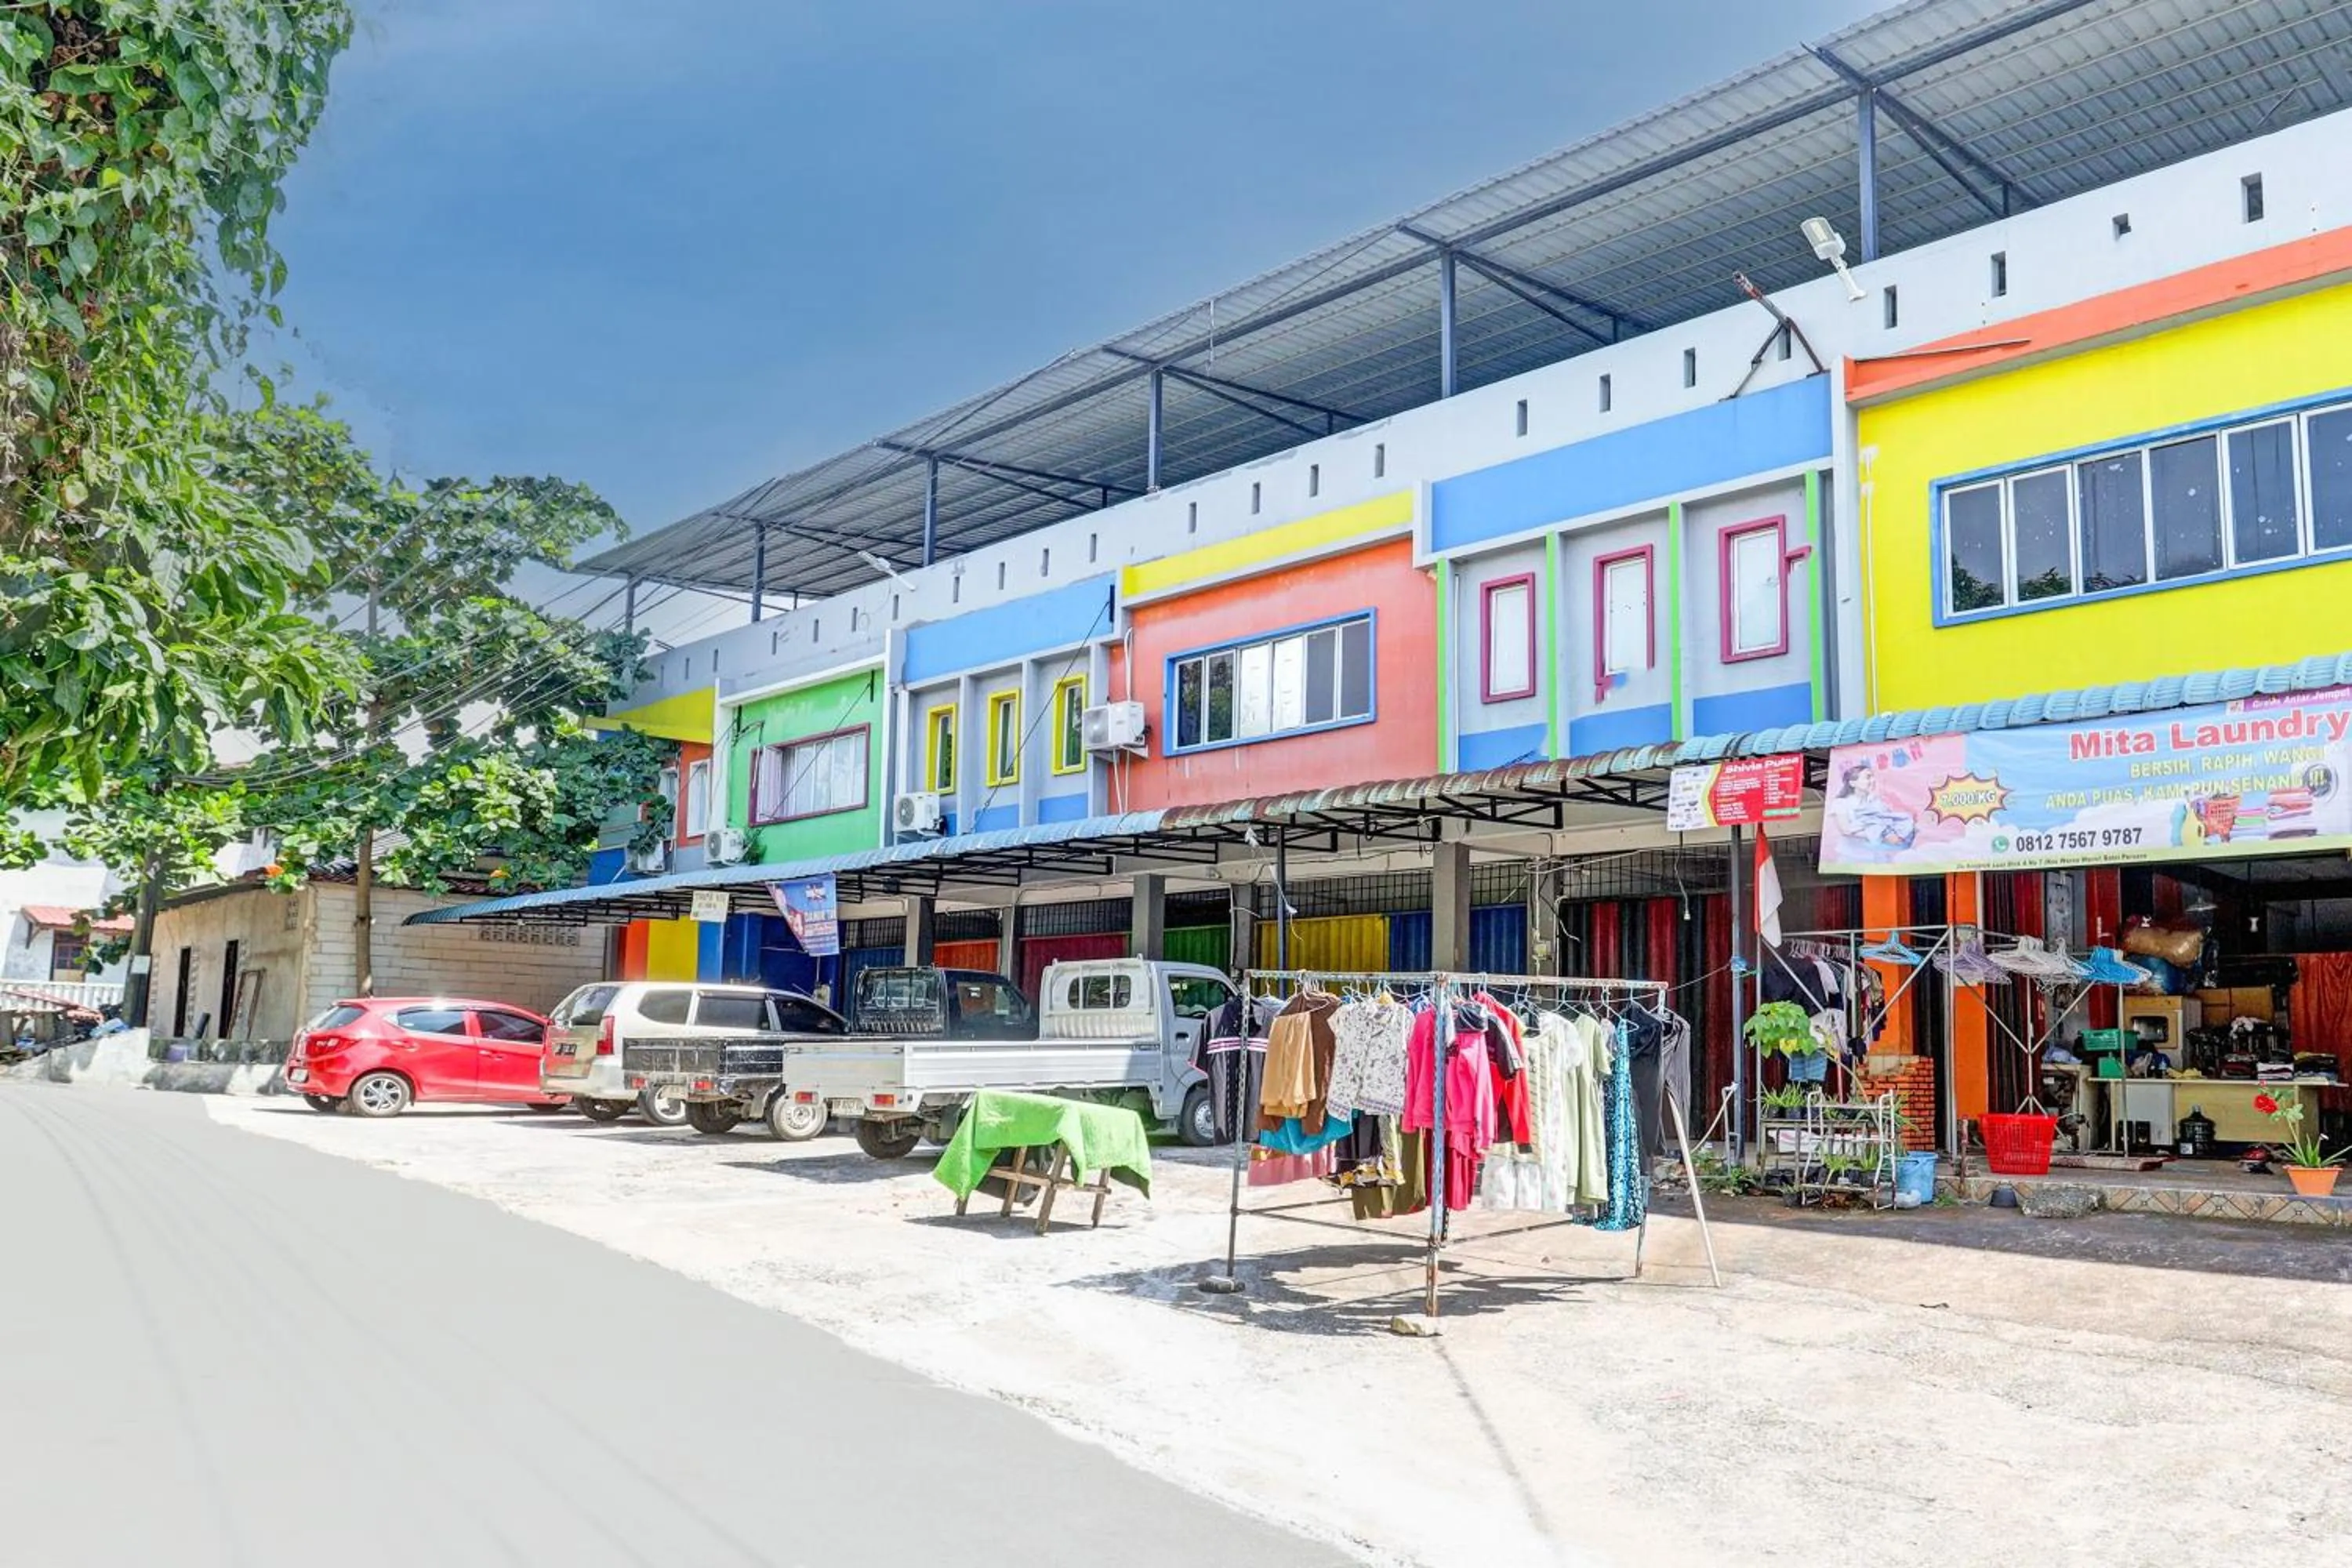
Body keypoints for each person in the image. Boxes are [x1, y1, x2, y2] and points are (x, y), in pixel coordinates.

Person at [1831, 761, 1918, 856]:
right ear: (1852, 783)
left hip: (1877, 855)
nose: (1873, 781)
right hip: (1852, 856)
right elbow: (1845, 830)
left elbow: (1888, 822)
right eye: (1868, 777)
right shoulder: (1841, 803)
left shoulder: (1877, 801)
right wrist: (1883, 836)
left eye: (1873, 777)